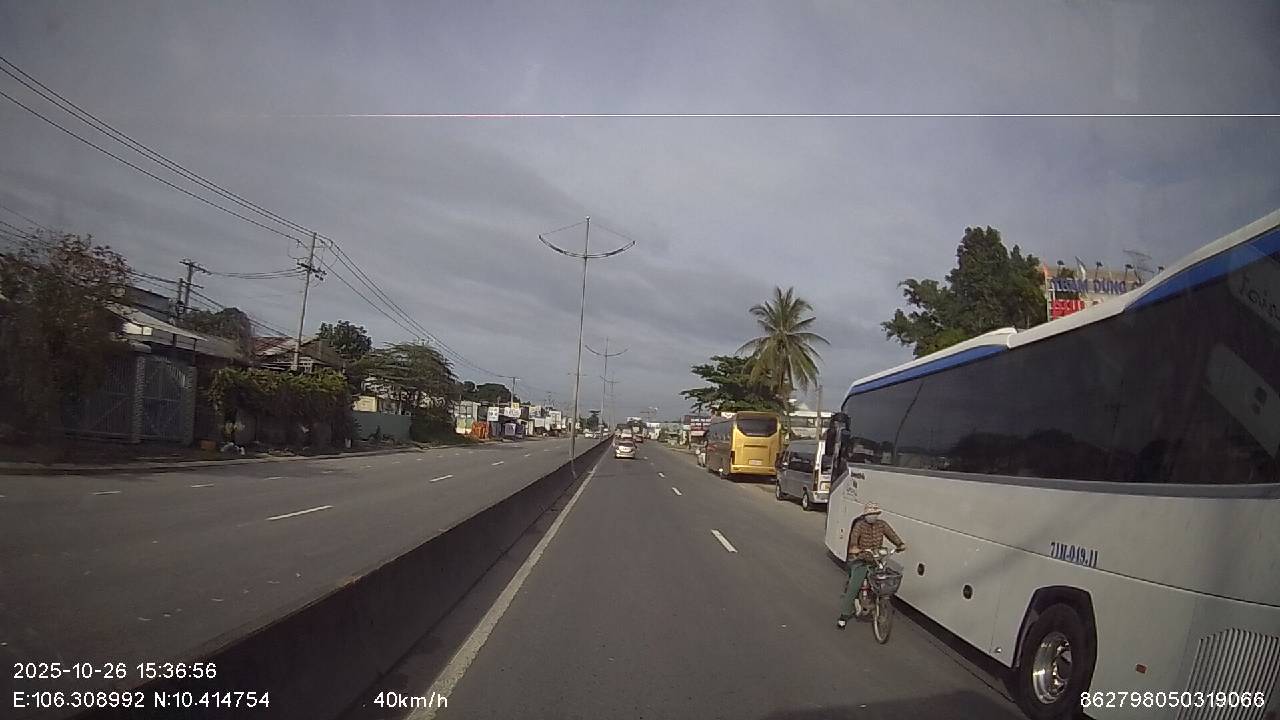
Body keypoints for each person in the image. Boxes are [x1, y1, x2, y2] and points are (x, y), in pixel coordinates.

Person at [837, 501, 907, 629]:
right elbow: (853, 540)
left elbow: (892, 534)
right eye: (870, 514)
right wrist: (855, 548)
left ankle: (876, 605)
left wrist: (900, 544)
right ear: (865, 515)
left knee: (880, 584)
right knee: (854, 587)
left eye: (875, 513)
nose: (873, 516)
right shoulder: (859, 526)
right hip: (861, 560)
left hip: (876, 561)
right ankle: (844, 615)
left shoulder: (882, 525)